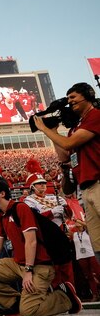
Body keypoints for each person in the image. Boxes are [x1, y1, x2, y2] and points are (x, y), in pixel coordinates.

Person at [0, 179, 81, 316]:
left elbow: (31, 241)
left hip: (38, 265)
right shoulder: (1, 216)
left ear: (2, 193)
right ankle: (14, 303)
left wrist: (28, 270)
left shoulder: (20, 208)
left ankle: (65, 298)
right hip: (18, 264)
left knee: (28, 311)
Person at [34, 82, 99, 259]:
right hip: (85, 188)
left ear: (88, 95)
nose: (70, 102)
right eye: (68, 98)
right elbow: (64, 155)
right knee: (97, 243)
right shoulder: (76, 128)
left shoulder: (95, 115)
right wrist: (54, 132)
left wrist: (45, 129)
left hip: (98, 183)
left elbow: (69, 144)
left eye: (73, 97)